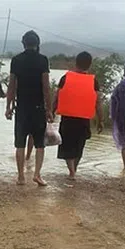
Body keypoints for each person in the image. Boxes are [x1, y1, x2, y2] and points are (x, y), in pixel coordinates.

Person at [6, 30, 53, 186]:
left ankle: (20, 177)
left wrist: (8, 106)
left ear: (23, 43)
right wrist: (49, 109)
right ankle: (37, 175)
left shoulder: (16, 60)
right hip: (38, 108)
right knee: (40, 144)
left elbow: (11, 86)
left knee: (20, 143)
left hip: (22, 109)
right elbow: (46, 87)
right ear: (37, 44)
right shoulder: (43, 60)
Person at [53, 51, 103, 180]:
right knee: (79, 146)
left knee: (67, 145)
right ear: (90, 65)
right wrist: (100, 120)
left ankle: (71, 171)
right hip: (83, 119)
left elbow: (56, 97)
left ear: (76, 62)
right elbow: (98, 102)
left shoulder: (65, 77)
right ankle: (74, 169)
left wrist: (51, 112)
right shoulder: (94, 81)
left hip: (68, 118)